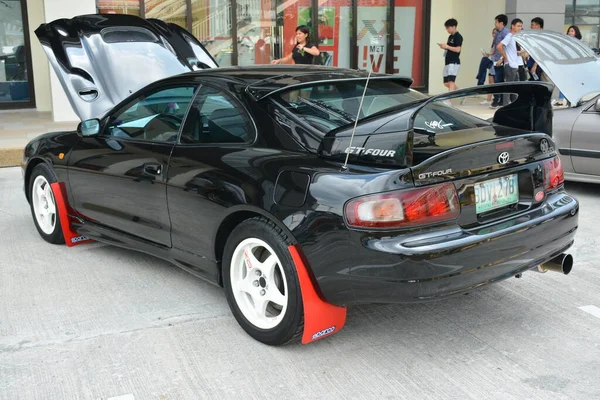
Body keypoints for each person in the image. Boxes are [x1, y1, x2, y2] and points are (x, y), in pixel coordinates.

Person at [497, 18, 524, 105]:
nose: (520, 28)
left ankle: (514, 105)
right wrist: (505, 57)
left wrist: (519, 53)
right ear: (512, 26)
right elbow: (499, 46)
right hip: (510, 65)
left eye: (521, 26)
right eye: (518, 26)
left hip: (515, 65)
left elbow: (512, 51)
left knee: (515, 88)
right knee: (509, 87)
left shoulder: (515, 37)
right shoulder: (509, 36)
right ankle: (506, 105)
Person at [555, 25, 582, 105]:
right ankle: (561, 99)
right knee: (564, 81)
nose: (570, 32)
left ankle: (577, 97)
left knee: (575, 82)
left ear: (576, 33)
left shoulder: (578, 43)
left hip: (576, 65)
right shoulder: (565, 42)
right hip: (566, 65)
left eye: (572, 31)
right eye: (569, 31)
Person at [437, 18, 463, 91]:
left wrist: (447, 46)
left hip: (454, 62)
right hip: (447, 61)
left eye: (448, 28)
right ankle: (460, 91)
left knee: (451, 82)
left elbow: (458, 49)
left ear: (454, 27)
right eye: (446, 28)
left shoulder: (458, 36)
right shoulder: (450, 36)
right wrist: (444, 47)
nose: (447, 30)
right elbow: (450, 48)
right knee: (446, 83)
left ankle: (449, 101)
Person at [490, 14, 509, 108]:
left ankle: (499, 100)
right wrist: (490, 53)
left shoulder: (506, 33)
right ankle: (497, 99)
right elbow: (495, 45)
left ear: (501, 23)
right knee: (497, 80)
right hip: (495, 59)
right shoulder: (497, 32)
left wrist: (502, 59)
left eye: (496, 22)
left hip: (502, 61)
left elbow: (506, 47)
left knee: (499, 80)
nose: (495, 23)